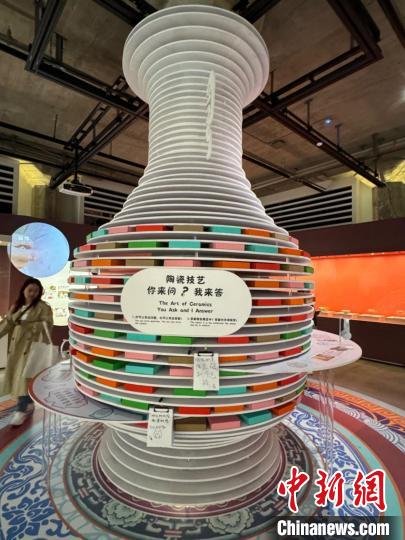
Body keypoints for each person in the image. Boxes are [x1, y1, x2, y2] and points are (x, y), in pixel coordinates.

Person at [0, 277, 53, 426]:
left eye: (36, 291)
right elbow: (7, 323)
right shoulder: (17, 306)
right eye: (30, 290)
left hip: (31, 348)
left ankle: (21, 410)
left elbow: (48, 325)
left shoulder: (43, 307)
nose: (32, 293)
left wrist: (27, 325)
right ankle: (28, 403)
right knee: (20, 376)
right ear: (23, 290)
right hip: (16, 347)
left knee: (23, 377)